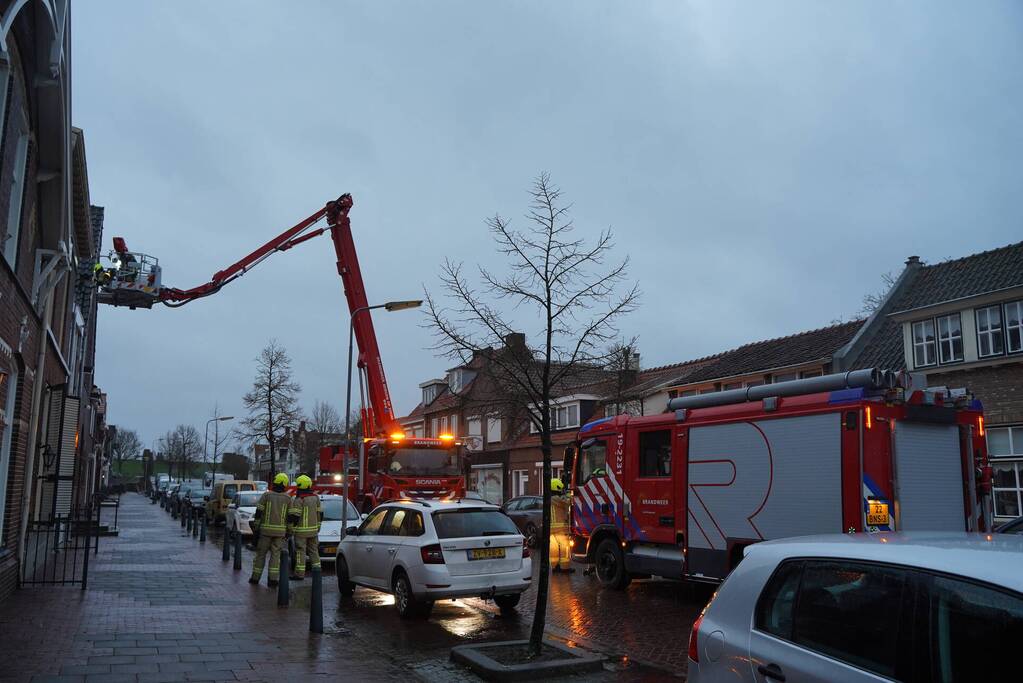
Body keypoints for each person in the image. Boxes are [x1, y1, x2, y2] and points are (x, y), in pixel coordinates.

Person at [249, 473, 293, 587]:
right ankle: (272, 580)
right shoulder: (288, 498)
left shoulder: (266, 495)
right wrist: (289, 531)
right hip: (280, 533)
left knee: (260, 555)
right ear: (285, 484)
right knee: (275, 556)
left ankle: (255, 578)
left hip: (265, 532)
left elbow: (259, 512)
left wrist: (256, 527)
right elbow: (290, 517)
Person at [288, 474, 322, 580]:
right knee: (314, 551)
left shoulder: (299, 500)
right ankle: (317, 572)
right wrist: (318, 527)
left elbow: (295, 517)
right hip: (314, 531)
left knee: (300, 552)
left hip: (301, 532)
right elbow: (320, 514)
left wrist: (291, 529)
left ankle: (299, 574)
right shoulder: (316, 498)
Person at [549, 478, 574, 574]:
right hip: (559, 528)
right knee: (564, 548)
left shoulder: (548, 499)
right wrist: (569, 494)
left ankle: (554, 567)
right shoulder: (556, 498)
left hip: (550, 529)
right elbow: (568, 502)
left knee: (553, 549)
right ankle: (565, 568)